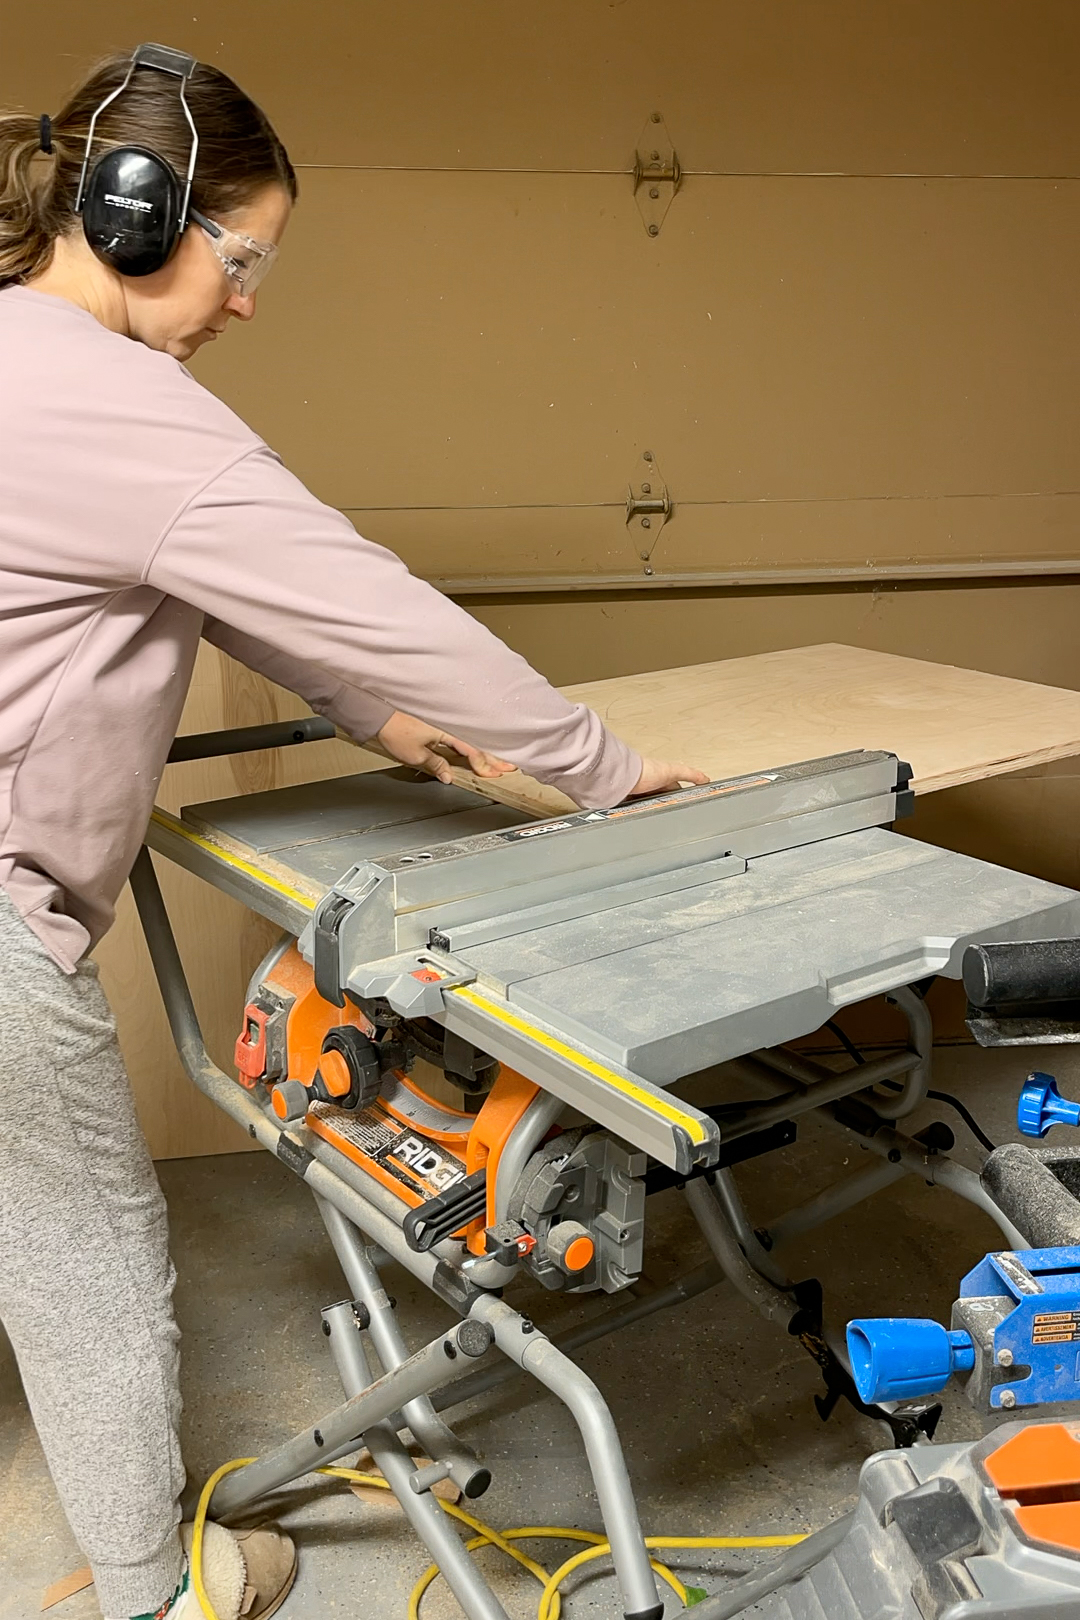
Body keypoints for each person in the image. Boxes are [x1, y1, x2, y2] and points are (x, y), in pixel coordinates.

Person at [0, 43, 706, 1620]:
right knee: (88, 1252)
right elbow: (366, 600)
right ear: (135, 215)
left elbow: (219, 587)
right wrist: (606, 770)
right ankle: (152, 1597)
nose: (247, 300)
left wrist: (372, 721)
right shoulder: (120, 400)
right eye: (241, 257)